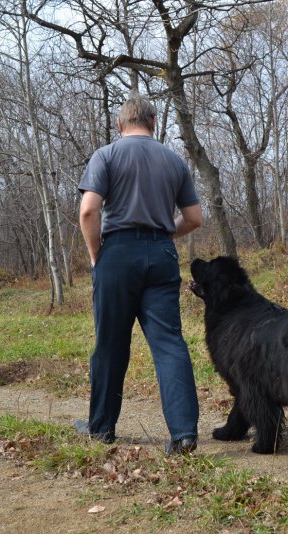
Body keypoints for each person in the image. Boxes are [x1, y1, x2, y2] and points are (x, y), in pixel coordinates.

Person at [75, 94, 203, 454]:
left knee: (111, 345)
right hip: (161, 256)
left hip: (117, 254)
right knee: (169, 344)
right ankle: (184, 434)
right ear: (154, 122)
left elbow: (88, 212)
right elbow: (194, 219)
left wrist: (97, 254)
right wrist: (163, 235)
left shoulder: (107, 155)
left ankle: (101, 428)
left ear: (120, 124)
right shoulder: (174, 161)